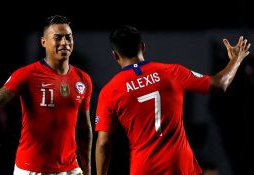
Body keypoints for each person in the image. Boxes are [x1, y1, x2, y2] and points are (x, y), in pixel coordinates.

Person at [95, 25, 250, 175]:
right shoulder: (171, 72)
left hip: (144, 168)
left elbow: (103, 144)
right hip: (180, 166)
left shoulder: (109, 91)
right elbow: (220, 84)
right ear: (142, 47)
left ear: (115, 55)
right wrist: (235, 60)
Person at [0, 15, 92, 175]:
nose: (65, 43)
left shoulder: (83, 79)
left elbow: (84, 127)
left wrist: (87, 166)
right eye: (58, 38)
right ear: (43, 42)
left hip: (70, 168)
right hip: (31, 168)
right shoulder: (27, 75)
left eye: (68, 37)